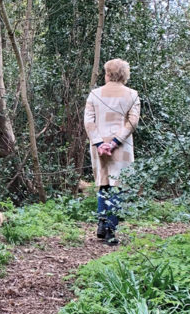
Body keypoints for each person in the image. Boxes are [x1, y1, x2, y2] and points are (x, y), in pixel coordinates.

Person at [83, 58, 141, 246]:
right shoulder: (132, 95)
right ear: (124, 74)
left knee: (103, 183)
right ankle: (110, 229)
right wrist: (115, 142)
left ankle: (102, 222)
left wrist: (101, 143)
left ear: (108, 73)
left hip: (99, 146)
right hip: (122, 147)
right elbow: (132, 122)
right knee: (117, 185)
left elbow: (88, 121)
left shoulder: (95, 94)